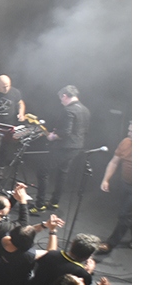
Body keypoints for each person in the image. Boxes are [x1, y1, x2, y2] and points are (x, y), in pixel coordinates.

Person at [32, 85, 90, 213]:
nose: (61, 102)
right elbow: (80, 130)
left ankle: (39, 205)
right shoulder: (85, 110)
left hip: (64, 147)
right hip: (77, 147)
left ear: (64, 96)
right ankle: (54, 202)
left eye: (61, 99)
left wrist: (53, 136)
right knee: (62, 173)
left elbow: (65, 133)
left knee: (42, 171)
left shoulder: (68, 110)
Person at [96, 122, 132, 254]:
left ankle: (111, 244)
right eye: (129, 130)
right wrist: (106, 179)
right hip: (126, 183)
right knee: (128, 214)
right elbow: (114, 161)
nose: (129, 134)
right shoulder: (126, 142)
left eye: (132, 132)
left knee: (124, 215)